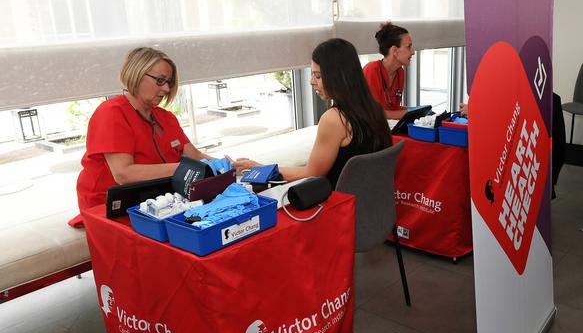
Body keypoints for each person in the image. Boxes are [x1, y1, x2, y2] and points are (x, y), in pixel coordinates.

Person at [230, 38, 392, 189]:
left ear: (339, 77)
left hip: (340, 208)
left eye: (318, 76)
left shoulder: (335, 119)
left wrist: (260, 168)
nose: (311, 81)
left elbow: (312, 173)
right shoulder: (374, 108)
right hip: (372, 203)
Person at [76, 47, 211, 212]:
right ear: (136, 75)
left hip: (156, 199)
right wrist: (186, 169)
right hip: (110, 207)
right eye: (160, 80)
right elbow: (124, 174)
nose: (167, 89)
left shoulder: (166, 117)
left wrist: (228, 166)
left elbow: (195, 156)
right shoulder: (111, 113)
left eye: (169, 82)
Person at [363, 22, 415, 120]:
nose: (413, 52)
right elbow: (373, 113)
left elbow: (392, 109)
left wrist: (420, 110)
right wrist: (412, 113)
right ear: (394, 50)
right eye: (409, 47)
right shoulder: (371, 70)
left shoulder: (400, 72)